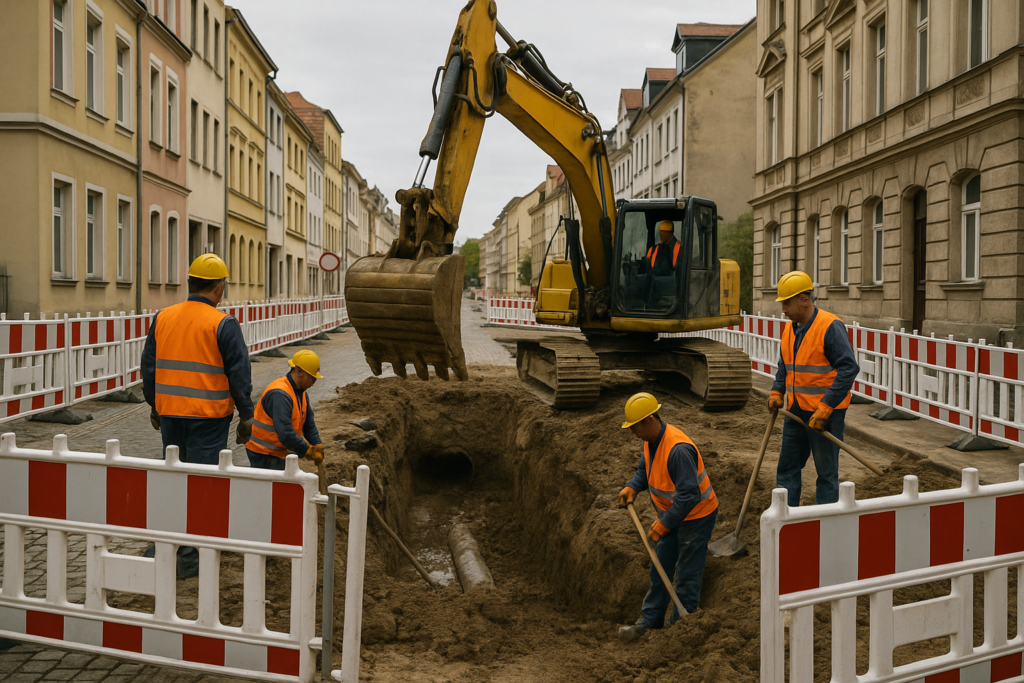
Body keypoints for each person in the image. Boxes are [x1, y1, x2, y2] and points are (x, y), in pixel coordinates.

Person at [141, 253, 254, 578]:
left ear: (191, 284)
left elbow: (149, 366)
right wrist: (246, 413)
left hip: (172, 415)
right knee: (202, 484)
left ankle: (167, 545)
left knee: (174, 478)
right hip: (208, 417)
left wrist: (155, 405)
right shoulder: (222, 323)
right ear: (219, 287)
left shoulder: (164, 316)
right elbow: (239, 373)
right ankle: (189, 559)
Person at [615, 392, 719, 643]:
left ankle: (680, 630)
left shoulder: (678, 450)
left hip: (696, 516)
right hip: (673, 515)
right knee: (660, 566)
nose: (633, 432)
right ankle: (650, 620)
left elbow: (689, 496)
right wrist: (632, 486)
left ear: (650, 420)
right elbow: (645, 470)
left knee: (686, 573)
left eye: (635, 427)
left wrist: (663, 525)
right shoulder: (651, 440)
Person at [769, 271, 859, 506]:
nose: (783, 309)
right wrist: (777, 391)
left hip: (825, 414)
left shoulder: (830, 326)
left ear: (804, 299)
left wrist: (826, 408)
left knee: (826, 474)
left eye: (786, 303)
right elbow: (785, 365)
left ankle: (826, 524)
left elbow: (848, 369)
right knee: (787, 468)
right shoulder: (790, 328)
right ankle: (785, 516)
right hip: (796, 410)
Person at [246, 350, 324, 470]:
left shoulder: (300, 392)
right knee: (268, 487)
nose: (313, 383)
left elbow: (308, 421)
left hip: (278, 451)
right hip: (264, 453)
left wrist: (316, 443)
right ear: (299, 372)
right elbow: (285, 432)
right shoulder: (280, 394)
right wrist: (306, 451)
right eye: (312, 379)